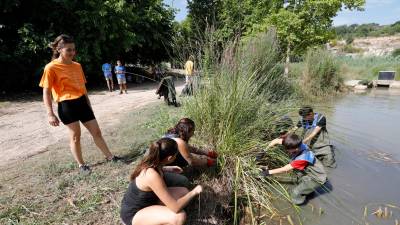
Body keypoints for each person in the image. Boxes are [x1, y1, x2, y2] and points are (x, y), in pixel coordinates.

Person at [39, 34, 121, 174]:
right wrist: (50, 114)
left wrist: (88, 105)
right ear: (59, 49)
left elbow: (83, 88)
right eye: (68, 50)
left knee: (97, 132)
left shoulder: (77, 66)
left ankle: (110, 157)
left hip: (82, 102)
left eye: (73, 49)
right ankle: (81, 165)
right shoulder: (51, 68)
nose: (72, 52)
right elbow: (46, 92)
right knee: (75, 136)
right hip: (66, 105)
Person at [120, 138, 203, 225]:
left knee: (184, 192)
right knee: (179, 217)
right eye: (176, 155)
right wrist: (195, 191)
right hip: (134, 214)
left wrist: (167, 169)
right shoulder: (152, 175)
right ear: (169, 158)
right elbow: (176, 207)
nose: (176, 157)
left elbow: (154, 171)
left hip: (149, 201)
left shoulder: (151, 162)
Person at [260, 134, 327, 205]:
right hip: (309, 171)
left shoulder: (303, 158)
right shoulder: (293, 143)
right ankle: (308, 191)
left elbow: (285, 169)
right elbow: (276, 141)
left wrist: (267, 172)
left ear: (296, 149)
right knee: (301, 181)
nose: (287, 150)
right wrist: (264, 151)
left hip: (317, 177)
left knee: (295, 194)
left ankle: (299, 202)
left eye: (288, 149)